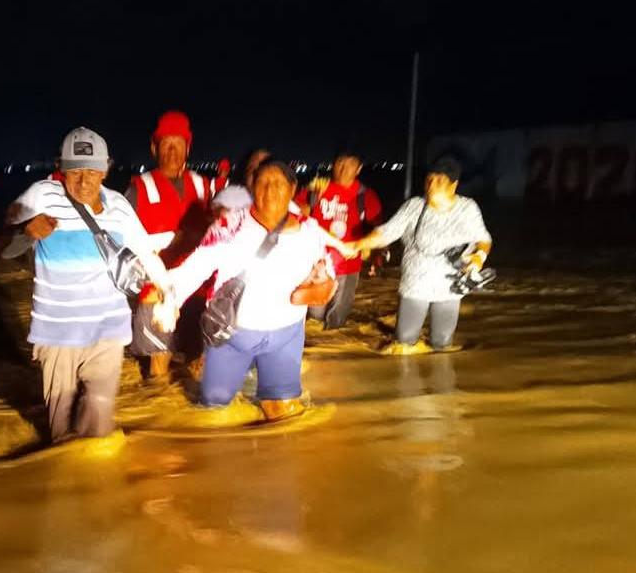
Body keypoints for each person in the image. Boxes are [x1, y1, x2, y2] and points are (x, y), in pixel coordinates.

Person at [148, 159, 356, 422]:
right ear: (251, 187)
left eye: (278, 183)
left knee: (280, 412)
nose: (270, 191)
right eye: (263, 183)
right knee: (214, 407)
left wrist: (323, 284)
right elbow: (197, 265)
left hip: (286, 336)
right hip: (233, 334)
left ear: (293, 189)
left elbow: (328, 272)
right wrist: (170, 298)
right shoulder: (229, 226)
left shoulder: (310, 232)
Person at [7, 127, 173, 443]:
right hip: (57, 334)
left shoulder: (120, 207)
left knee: (99, 425)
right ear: (61, 167)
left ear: (106, 169)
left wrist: (169, 294)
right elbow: (5, 244)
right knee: (59, 429)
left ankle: (96, 485)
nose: (84, 182)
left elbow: (147, 254)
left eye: (93, 171)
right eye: (75, 171)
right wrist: (26, 232)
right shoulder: (41, 195)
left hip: (108, 330)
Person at [352, 157, 492, 351]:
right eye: (429, 179)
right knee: (403, 343)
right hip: (415, 285)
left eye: (439, 180)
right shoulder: (414, 205)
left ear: (454, 185)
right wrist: (357, 245)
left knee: (442, 345)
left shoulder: (468, 208)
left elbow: (483, 239)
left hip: (450, 288)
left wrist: (479, 258)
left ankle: (440, 379)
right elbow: (386, 233)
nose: (431, 185)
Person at [124, 111, 212, 380]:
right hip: (157, 291)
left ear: (188, 147)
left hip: (197, 290)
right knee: (159, 372)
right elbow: (121, 246)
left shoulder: (204, 186)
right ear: (154, 148)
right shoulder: (138, 188)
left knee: (203, 366)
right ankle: (156, 395)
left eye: (179, 144)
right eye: (166, 144)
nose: (173, 151)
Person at [295, 150, 383, 329]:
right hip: (317, 264)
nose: (344, 168)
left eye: (350, 164)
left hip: (349, 265)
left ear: (358, 169)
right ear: (333, 164)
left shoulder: (365, 196)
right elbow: (294, 214)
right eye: (340, 163)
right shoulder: (316, 188)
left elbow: (379, 229)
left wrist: (377, 256)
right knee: (314, 316)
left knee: (338, 318)